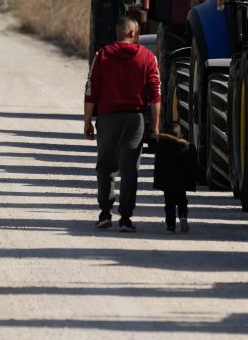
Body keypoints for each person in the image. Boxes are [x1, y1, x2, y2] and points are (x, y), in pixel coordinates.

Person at [84, 17, 161, 232]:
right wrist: (154, 127)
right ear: (133, 34)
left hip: (108, 118)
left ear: (118, 33)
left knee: (105, 166)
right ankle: (126, 217)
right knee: (130, 169)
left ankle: (105, 213)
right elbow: (155, 95)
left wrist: (87, 121)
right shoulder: (148, 57)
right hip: (135, 120)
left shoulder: (102, 55)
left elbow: (91, 90)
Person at [153, 121, 198, 233]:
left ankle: (170, 226)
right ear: (180, 134)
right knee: (182, 200)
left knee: (169, 204)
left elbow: (159, 165)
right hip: (181, 182)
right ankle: (183, 215)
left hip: (167, 182)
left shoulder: (161, 147)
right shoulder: (186, 147)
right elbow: (192, 165)